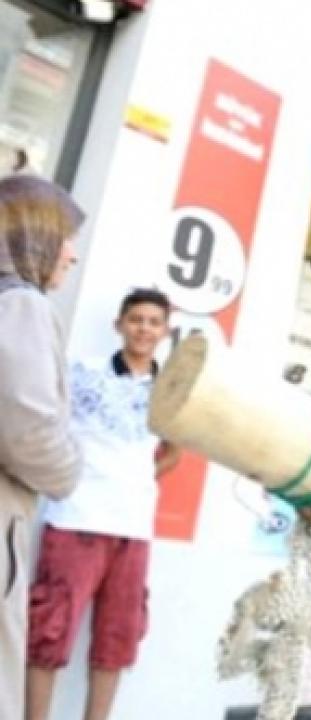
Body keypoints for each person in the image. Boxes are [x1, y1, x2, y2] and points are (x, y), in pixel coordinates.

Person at [24, 288, 180, 720]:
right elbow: (45, 427)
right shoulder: (81, 371)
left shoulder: (170, 390)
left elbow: (174, 453)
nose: (144, 329)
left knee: (117, 643)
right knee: (47, 635)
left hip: (133, 529)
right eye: (136, 319)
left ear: (165, 331)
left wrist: (133, 480)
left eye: (154, 322)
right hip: (75, 521)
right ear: (119, 324)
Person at [0, 174, 85, 720]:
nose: (71, 254)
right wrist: (70, 467)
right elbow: (26, 431)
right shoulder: (21, 305)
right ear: (36, 234)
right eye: (65, 237)